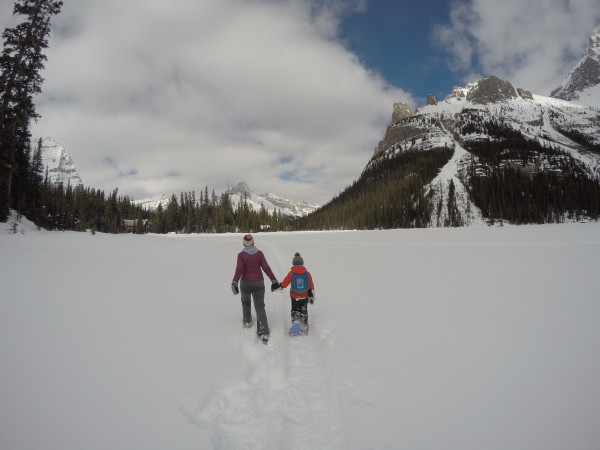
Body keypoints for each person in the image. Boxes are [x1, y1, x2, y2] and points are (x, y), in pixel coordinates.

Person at [231, 234, 280, 343]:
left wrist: (234, 282)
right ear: (253, 242)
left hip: (245, 283)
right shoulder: (259, 254)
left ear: (244, 243)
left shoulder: (241, 255)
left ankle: (247, 321)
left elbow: (239, 270)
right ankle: (263, 331)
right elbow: (266, 268)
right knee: (259, 306)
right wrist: (274, 280)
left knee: (246, 303)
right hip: (258, 283)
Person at [279, 252, 315, 334]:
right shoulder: (307, 273)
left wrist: (280, 285)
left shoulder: (291, 273)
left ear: (293, 263)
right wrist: (311, 294)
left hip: (294, 296)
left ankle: (295, 327)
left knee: (295, 310)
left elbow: (284, 284)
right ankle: (304, 327)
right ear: (302, 263)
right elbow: (311, 285)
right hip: (304, 295)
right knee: (304, 310)